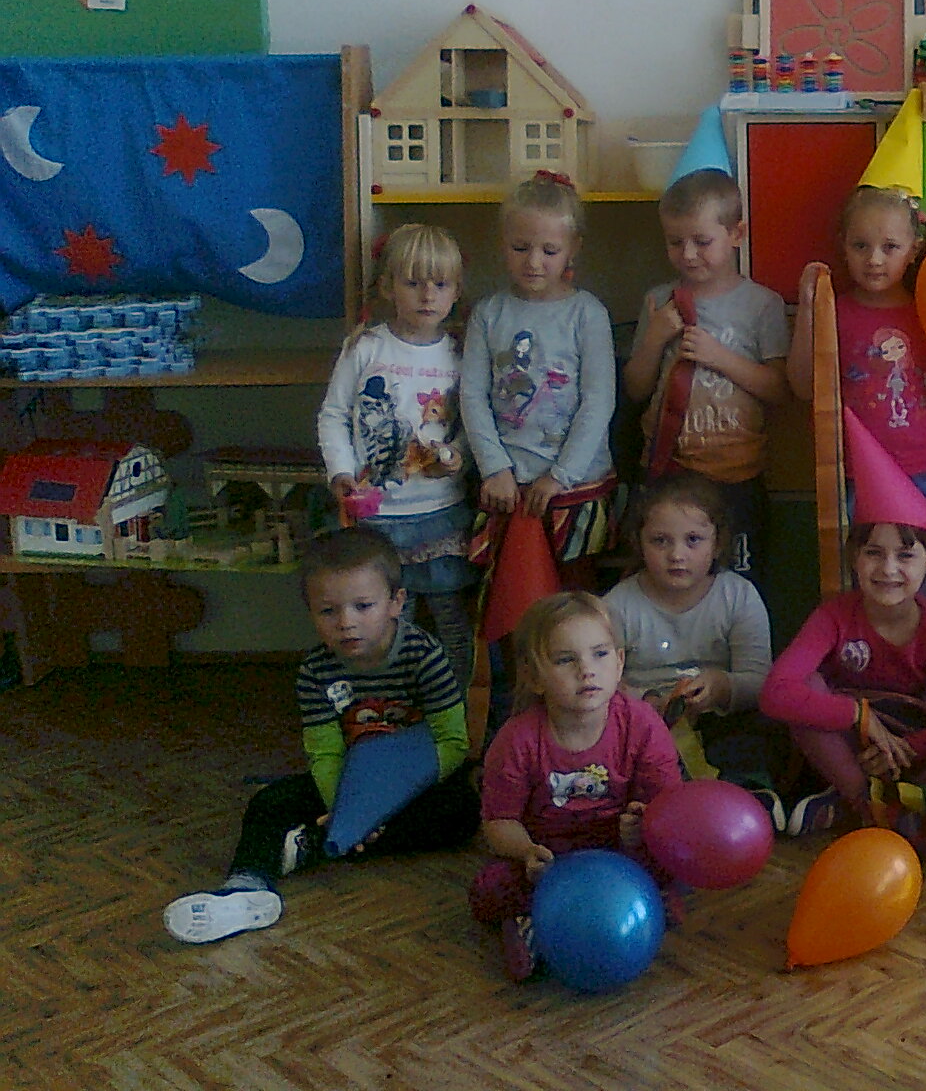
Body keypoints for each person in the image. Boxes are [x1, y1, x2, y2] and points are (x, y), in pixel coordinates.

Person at [162, 528, 477, 944]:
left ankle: (314, 844)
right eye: (328, 611)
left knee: (462, 809)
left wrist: (375, 809)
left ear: (396, 602)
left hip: (411, 782)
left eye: (363, 606)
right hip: (343, 784)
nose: (346, 623)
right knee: (269, 803)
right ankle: (246, 886)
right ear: (311, 612)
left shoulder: (425, 656)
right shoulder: (315, 671)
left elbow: (453, 742)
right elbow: (324, 751)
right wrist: (346, 808)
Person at [761, 410, 926, 842]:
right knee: (808, 690)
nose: (888, 569)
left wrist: (909, 748)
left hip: (906, 743)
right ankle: (865, 801)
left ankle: (852, 803)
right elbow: (775, 693)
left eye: (905, 555)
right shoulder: (833, 616)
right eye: (873, 553)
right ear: (854, 558)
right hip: (843, 745)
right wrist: (857, 716)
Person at [469, 592, 684, 981]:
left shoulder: (642, 724)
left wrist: (642, 824)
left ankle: (643, 903)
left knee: (676, 860)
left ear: (619, 662)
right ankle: (527, 926)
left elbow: (668, 803)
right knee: (491, 889)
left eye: (600, 654)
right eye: (565, 660)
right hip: (550, 860)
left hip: (620, 852)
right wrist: (527, 852)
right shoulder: (516, 739)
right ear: (534, 677)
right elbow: (499, 821)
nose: (587, 670)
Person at [318, 223, 476, 688]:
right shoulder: (367, 347)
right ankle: (389, 702)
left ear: (456, 291)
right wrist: (340, 472)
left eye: (440, 284)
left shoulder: (462, 353)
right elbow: (332, 414)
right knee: (385, 625)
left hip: (440, 514)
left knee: (450, 619)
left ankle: (454, 704)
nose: (428, 295)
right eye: (413, 282)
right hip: (376, 519)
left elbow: (473, 424)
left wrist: (457, 456)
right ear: (388, 286)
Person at [622, 168, 789, 579]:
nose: (688, 254)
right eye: (675, 242)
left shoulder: (762, 305)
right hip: (668, 474)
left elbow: (779, 390)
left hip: (735, 476)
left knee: (740, 581)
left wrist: (720, 357)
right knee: (670, 579)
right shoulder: (658, 301)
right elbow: (635, 389)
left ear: (736, 234)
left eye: (702, 241)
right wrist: (653, 339)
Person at [460, 171, 618, 590]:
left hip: (577, 486)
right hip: (506, 486)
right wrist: (494, 467)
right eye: (520, 247)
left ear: (573, 248)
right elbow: (472, 396)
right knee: (510, 592)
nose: (533, 262)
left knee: (575, 593)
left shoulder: (587, 313)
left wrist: (561, 476)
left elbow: (598, 401)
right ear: (502, 244)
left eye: (549, 250)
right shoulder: (488, 313)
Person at [789, 183, 926, 530]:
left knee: (916, 558)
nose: (874, 259)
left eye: (890, 247)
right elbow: (802, 386)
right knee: (863, 561)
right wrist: (808, 308)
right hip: (854, 469)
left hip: (922, 466)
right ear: (843, 246)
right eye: (861, 246)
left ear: (914, 250)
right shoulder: (836, 313)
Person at [602, 472, 780, 816]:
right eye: (660, 541)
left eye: (693, 540)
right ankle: (644, 803)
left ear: (718, 544)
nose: (677, 555)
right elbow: (602, 679)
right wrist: (642, 701)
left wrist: (721, 686)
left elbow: (761, 682)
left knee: (761, 730)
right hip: (643, 725)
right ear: (639, 543)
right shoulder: (618, 604)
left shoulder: (737, 596)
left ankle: (747, 797)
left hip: (717, 722)